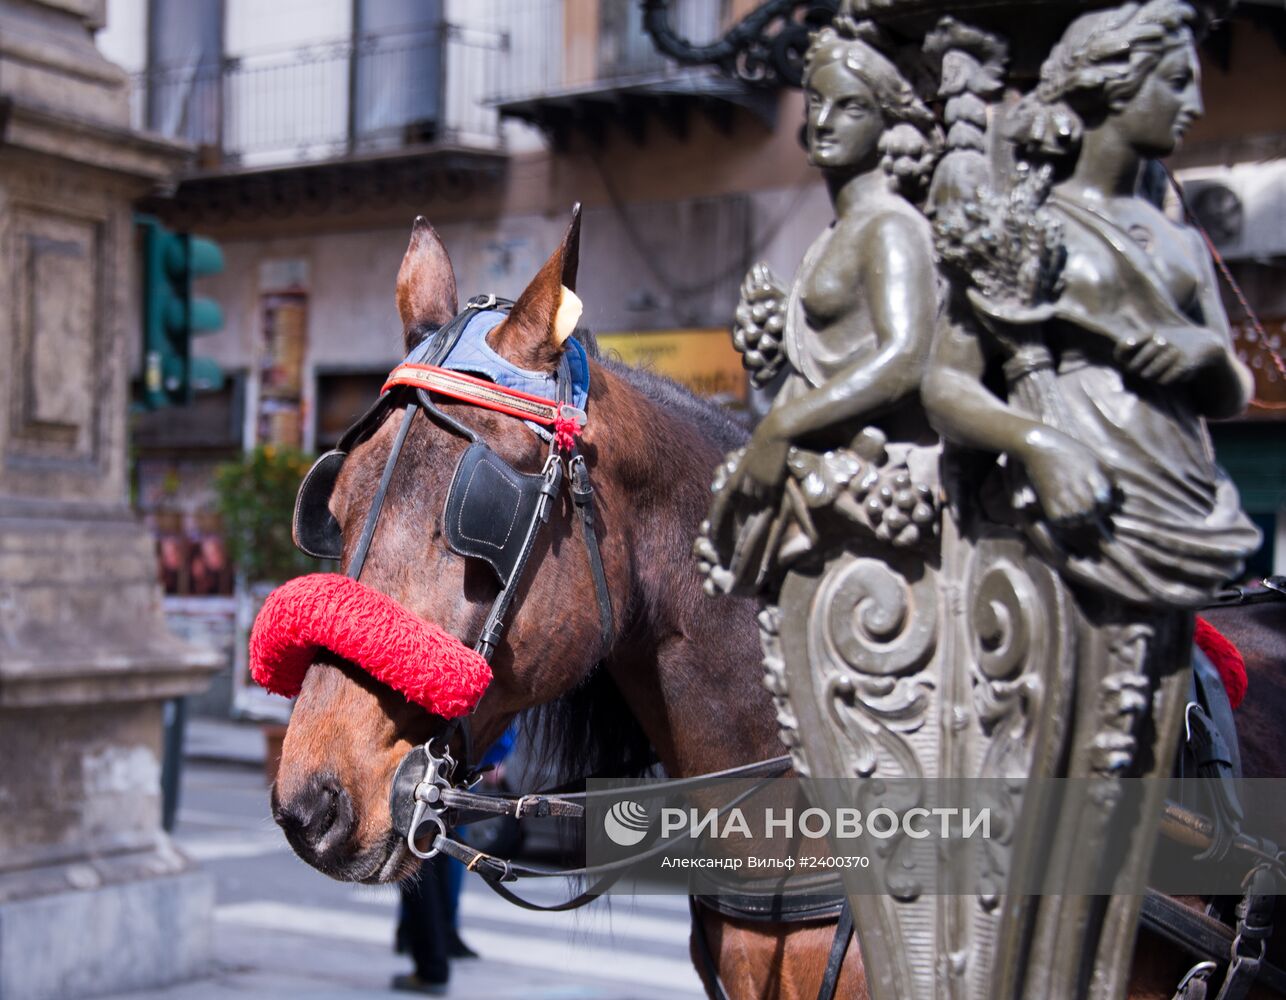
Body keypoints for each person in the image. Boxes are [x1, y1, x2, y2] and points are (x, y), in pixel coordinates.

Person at [923, 0, 1259, 607]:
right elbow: (947, 384)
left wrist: (1206, 354)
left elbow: (1233, 391)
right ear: (1113, 82)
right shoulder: (1025, 228)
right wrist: (1039, 444)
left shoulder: (1182, 243)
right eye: (1177, 83)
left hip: (1180, 490)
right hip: (1077, 492)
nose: (1197, 107)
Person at [705, 7, 943, 582]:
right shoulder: (841, 231)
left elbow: (906, 359)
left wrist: (782, 428)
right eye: (816, 103)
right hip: (821, 468)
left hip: (866, 475)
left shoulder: (890, 227)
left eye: (851, 106)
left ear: (889, 120)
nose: (825, 120)